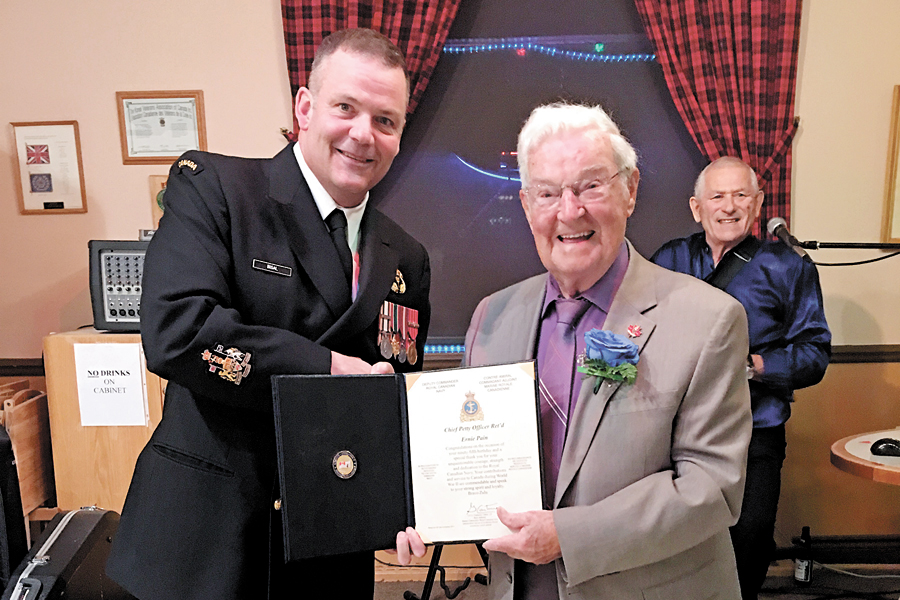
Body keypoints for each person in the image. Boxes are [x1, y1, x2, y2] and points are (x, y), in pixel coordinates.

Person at [106, 28, 431, 600]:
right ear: (305, 108)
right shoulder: (219, 191)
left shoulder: (406, 257)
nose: (363, 134)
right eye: (346, 108)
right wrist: (328, 367)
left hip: (328, 546)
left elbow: (390, 398)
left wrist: (407, 502)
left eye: (386, 120)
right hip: (204, 541)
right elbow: (176, 332)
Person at [398, 102, 752, 599]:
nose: (569, 211)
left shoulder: (708, 319)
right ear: (526, 205)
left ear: (629, 191)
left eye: (591, 185)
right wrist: (425, 515)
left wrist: (568, 537)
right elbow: (466, 464)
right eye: (547, 192)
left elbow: (710, 487)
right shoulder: (491, 319)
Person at [651, 156, 831, 599]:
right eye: (717, 196)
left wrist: (753, 365)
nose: (728, 206)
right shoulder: (668, 259)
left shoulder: (790, 267)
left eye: (740, 195)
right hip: (672, 432)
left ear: (758, 204)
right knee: (672, 539)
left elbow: (814, 353)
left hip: (755, 431)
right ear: (697, 208)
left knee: (748, 539)